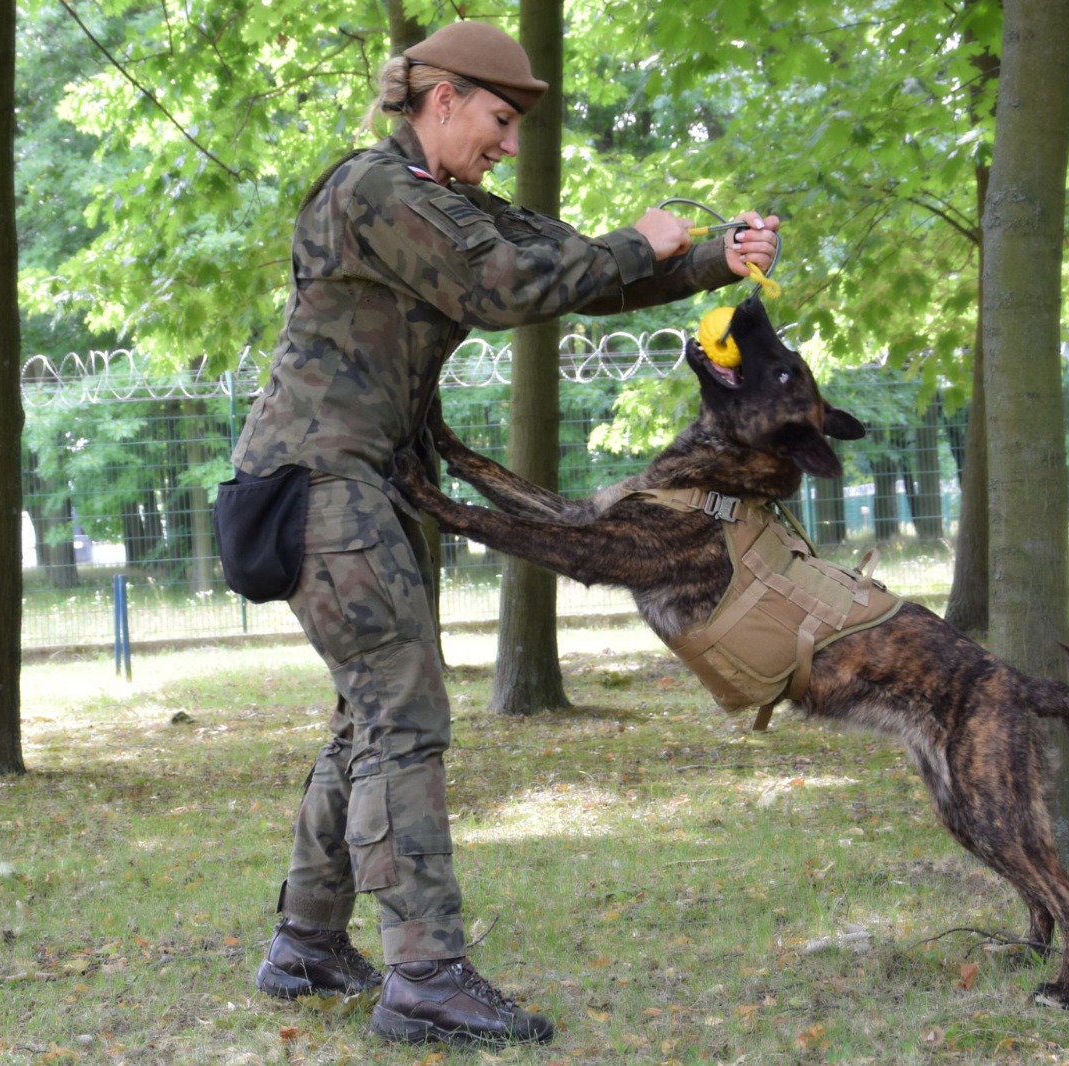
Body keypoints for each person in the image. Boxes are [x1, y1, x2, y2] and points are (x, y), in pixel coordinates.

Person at [221, 18, 778, 1049]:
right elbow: (509, 288)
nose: (506, 142)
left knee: (370, 712)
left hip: (360, 486)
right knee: (404, 715)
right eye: (498, 118)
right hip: (322, 486)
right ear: (441, 100)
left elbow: (561, 266)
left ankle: (305, 944)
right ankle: (425, 973)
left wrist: (705, 259)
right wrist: (637, 241)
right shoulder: (375, 191)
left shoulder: (442, 202)